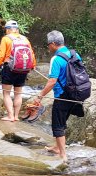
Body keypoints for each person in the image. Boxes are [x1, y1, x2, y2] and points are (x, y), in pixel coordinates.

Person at [33, 30, 85, 162]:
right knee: (63, 121)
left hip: (62, 96)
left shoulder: (56, 59)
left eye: (49, 44)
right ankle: (57, 147)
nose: (48, 47)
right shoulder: (74, 54)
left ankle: (62, 155)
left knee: (58, 125)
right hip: (76, 94)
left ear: (54, 44)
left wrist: (40, 96)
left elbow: (52, 81)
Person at [0, 20, 36, 121]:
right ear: (17, 29)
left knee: (6, 93)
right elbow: (31, 54)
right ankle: (16, 116)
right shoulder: (25, 39)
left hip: (9, 68)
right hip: (23, 69)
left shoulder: (6, 39)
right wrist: (32, 66)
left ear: (8, 29)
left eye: (6, 29)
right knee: (18, 93)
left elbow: (0, 56)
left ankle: (10, 116)